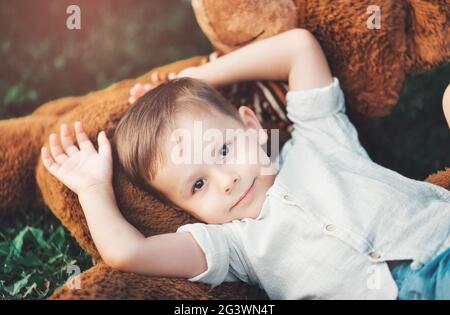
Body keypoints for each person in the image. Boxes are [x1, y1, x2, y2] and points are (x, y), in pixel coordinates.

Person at [40, 29, 450, 299]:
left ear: (251, 127)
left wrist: (197, 78)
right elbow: (129, 252)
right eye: (197, 186)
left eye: (223, 150)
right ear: (187, 211)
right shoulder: (234, 246)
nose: (227, 180)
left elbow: (298, 48)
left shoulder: (318, 139)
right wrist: (94, 189)